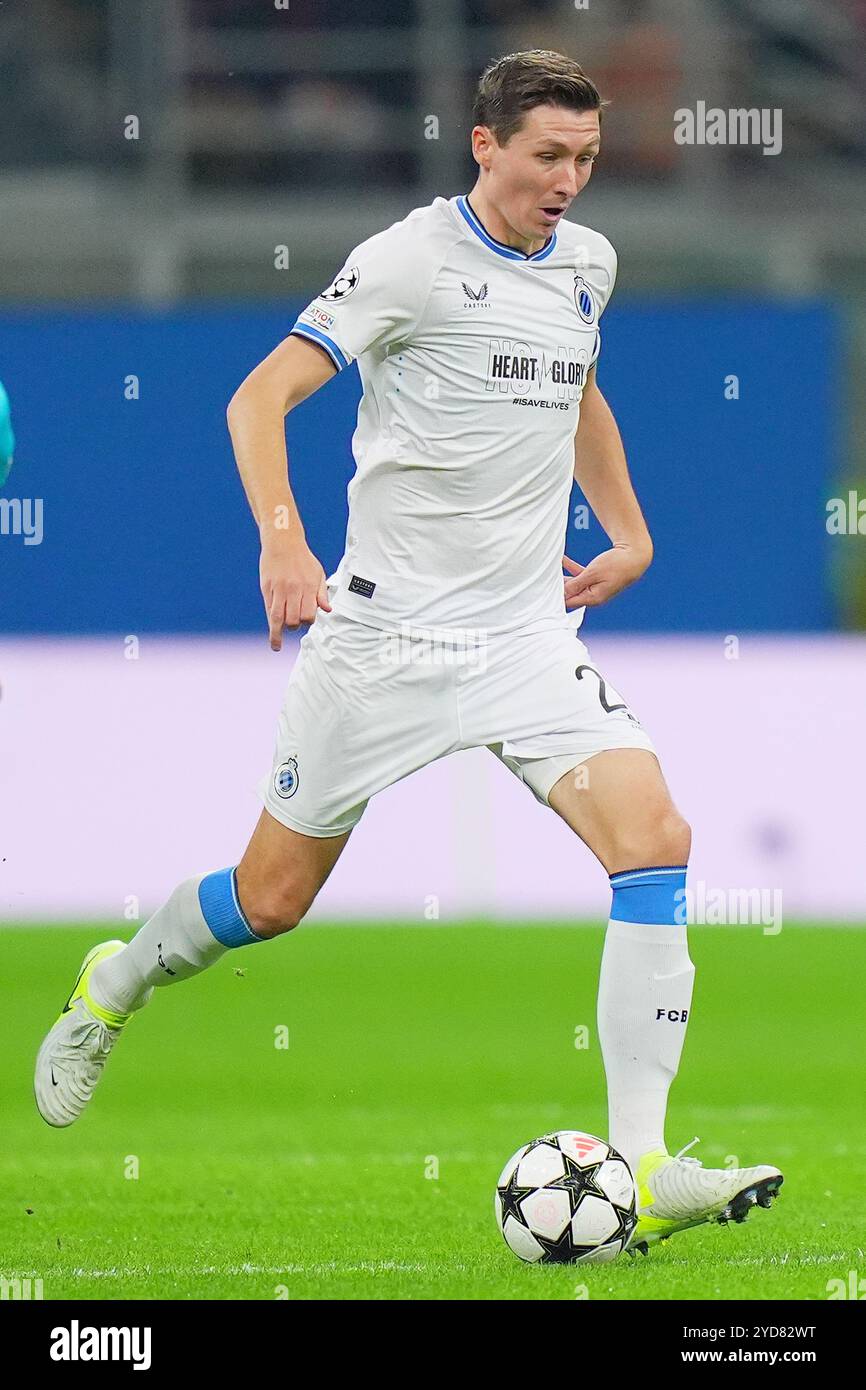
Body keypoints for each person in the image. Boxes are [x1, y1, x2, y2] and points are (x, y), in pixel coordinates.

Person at [35, 49, 782, 1256]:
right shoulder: (406, 261)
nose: (569, 182)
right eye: (547, 157)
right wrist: (284, 541)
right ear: (483, 146)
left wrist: (629, 525)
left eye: (585, 159)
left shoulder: (585, 263)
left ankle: (643, 1167)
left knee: (655, 841)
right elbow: (255, 399)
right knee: (269, 901)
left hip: (526, 639)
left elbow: (576, 386)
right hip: (381, 640)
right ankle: (114, 981)